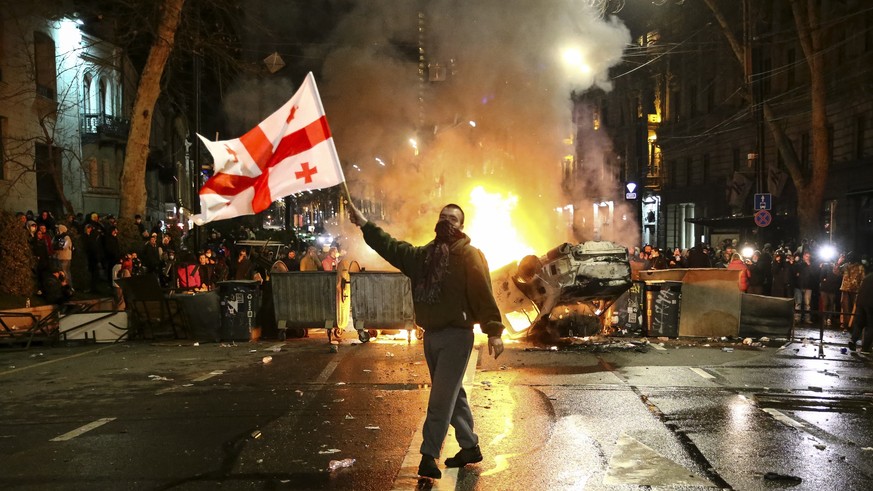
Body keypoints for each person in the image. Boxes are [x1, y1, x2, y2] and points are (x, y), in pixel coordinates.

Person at [347, 199, 504, 481]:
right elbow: (392, 247)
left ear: (462, 226)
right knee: (453, 396)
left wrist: (494, 331)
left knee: (441, 398)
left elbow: (483, 293)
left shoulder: (470, 255)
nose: (447, 221)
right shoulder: (424, 256)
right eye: (444, 216)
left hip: (457, 336)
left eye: (453, 219)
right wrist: (365, 225)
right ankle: (470, 447)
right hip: (431, 336)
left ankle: (428, 456)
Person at [835, 252, 865, 330]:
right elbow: (836, 272)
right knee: (845, 308)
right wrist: (838, 263)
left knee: (854, 308)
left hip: (855, 290)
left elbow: (863, 279)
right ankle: (846, 325)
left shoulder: (860, 267)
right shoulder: (846, 266)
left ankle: (853, 325)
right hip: (845, 289)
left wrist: (861, 289)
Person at [849, 273, 873, 354]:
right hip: (871, 305)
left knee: (859, 324)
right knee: (870, 326)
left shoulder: (867, 277)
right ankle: (865, 348)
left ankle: (853, 340)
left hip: (861, 303)